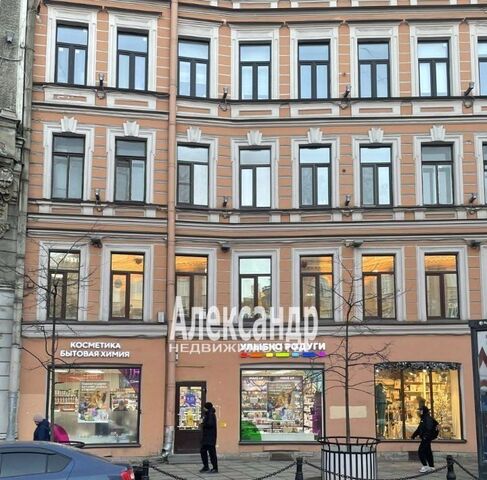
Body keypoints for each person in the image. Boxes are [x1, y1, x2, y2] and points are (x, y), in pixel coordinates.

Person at [411, 406, 437, 472]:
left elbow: (429, 428)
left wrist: (425, 437)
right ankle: (431, 466)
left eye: (420, 411)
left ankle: (425, 466)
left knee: (421, 451)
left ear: (424, 411)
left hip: (426, 438)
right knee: (428, 452)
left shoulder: (427, 418)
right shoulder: (424, 418)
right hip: (426, 438)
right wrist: (413, 436)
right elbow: (419, 429)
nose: (419, 412)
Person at [200, 402, 218, 474]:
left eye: (204, 407)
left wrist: (203, 423)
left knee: (212, 453)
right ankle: (206, 466)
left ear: (206, 408)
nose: (203, 408)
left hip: (210, 438)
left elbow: (210, 424)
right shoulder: (208, 414)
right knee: (203, 451)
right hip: (207, 437)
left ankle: (215, 468)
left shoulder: (210, 414)